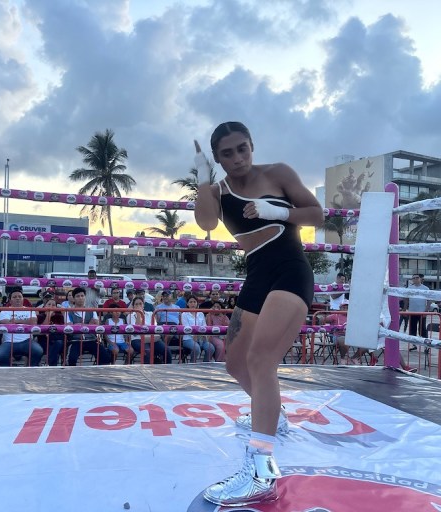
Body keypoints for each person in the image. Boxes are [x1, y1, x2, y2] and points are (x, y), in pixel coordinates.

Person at [193, 121, 323, 505]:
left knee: (261, 359)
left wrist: (278, 213)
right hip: (256, 275)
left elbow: (317, 214)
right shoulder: (218, 190)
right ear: (218, 158)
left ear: (252, 146)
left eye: (242, 148)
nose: (237, 158)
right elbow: (204, 223)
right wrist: (203, 177)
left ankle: (261, 471)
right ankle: (273, 414)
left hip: (290, 270)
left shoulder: (278, 173)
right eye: (227, 153)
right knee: (236, 365)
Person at [64, 287, 114, 366]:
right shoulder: (69, 312)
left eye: (82, 296)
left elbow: (96, 325)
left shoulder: (92, 310)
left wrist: (78, 325)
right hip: (75, 341)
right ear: (73, 299)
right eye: (78, 296)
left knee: (106, 357)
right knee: (71, 359)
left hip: (91, 340)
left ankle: (97, 373)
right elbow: (70, 327)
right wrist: (88, 324)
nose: (80, 298)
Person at [0, 290, 42, 367]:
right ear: (10, 300)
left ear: (23, 299)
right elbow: (4, 322)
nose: (17, 298)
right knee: (0, 355)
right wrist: (25, 321)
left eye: (20, 297)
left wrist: (15, 321)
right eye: (14, 297)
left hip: (27, 341)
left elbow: (33, 322)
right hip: (9, 342)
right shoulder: (5, 310)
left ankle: (30, 369)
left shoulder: (29, 309)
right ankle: (7, 371)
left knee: (38, 351)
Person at [128, 296, 170, 364]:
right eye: (136, 304)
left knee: (166, 350)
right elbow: (135, 331)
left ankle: (167, 369)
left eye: (140, 304)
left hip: (151, 338)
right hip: (137, 339)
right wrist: (139, 314)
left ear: (143, 305)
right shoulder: (130, 316)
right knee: (147, 350)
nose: (138, 306)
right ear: (133, 306)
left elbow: (154, 328)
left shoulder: (150, 314)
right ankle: (147, 371)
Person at [37, 294, 66, 366]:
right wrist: (48, 315)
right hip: (43, 340)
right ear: (44, 307)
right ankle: (52, 365)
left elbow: (61, 330)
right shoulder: (40, 316)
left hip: (57, 339)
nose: (51, 306)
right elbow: (43, 328)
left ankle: (50, 364)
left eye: (53, 305)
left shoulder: (59, 316)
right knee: (51, 346)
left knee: (57, 344)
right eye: (49, 304)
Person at [180, 296, 211, 362]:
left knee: (210, 348)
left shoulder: (201, 314)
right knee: (196, 348)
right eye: (191, 302)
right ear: (187, 304)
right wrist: (194, 335)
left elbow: (204, 326)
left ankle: (205, 365)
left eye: (194, 302)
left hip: (201, 337)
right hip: (188, 338)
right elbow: (186, 328)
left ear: (197, 303)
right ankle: (192, 364)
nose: (193, 304)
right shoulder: (184, 314)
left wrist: (202, 335)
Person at [405, 274, 432, 350]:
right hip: (412, 311)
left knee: (422, 329)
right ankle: (413, 345)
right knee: (412, 328)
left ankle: (426, 346)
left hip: (421, 312)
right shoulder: (409, 288)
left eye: (417, 278)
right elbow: (406, 299)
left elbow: (429, 300)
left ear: (420, 279)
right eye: (414, 278)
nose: (415, 279)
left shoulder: (425, 288)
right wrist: (405, 309)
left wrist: (426, 310)